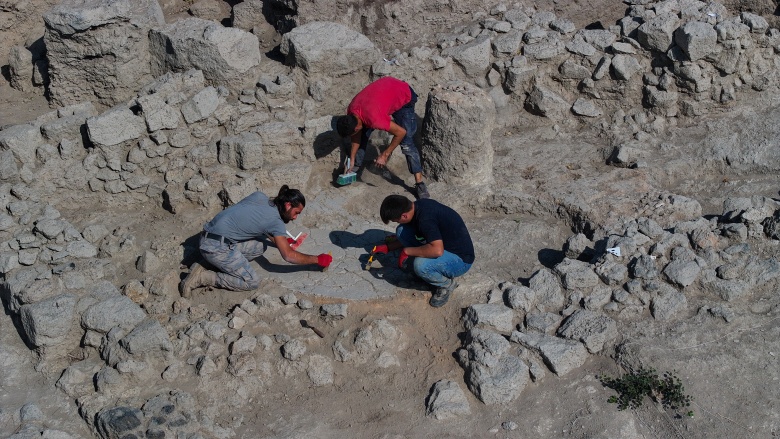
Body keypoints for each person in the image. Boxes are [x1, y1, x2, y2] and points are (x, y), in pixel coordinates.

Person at [179, 185, 333, 297]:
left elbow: (253, 220)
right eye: (296, 212)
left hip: (208, 235)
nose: (295, 217)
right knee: (251, 281)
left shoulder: (259, 196)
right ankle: (201, 277)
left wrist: (281, 240)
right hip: (216, 247)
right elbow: (288, 256)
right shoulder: (275, 222)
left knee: (260, 246)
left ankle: (207, 262)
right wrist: (317, 259)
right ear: (287, 205)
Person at [335, 76, 430, 199]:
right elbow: (356, 136)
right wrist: (351, 158)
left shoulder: (374, 119)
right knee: (363, 135)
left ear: (356, 127)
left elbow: (401, 132)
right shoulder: (352, 111)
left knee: (407, 142)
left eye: (353, 133)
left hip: (404, 96)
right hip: (387, 92)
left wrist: (384, 155)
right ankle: (354, 167)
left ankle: (419, 183)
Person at [373, 194, 474, 307]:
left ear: (404, 216)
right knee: (402, 230)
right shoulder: (417, 206)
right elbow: (418, 234)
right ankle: (426, 263)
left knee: (420, 265)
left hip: (460, 260)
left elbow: (437, 251)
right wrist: (388, 247)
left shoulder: (425, 220)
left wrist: (407, 251)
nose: (397, 222)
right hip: (443, 245)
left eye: (396, 220)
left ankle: (446, 285)